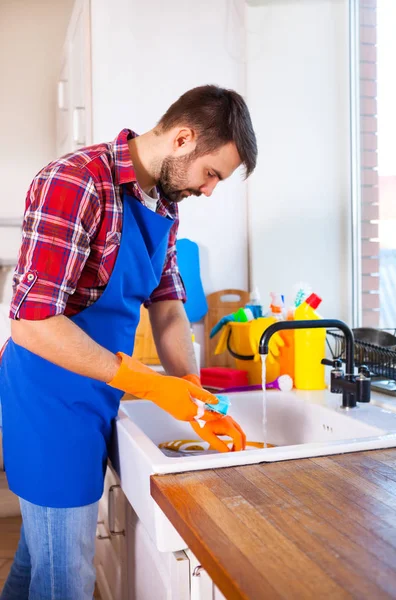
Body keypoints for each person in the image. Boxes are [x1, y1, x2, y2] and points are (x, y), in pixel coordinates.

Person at [0, 84, 257, 600]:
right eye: (212, 174)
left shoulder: (163, 201)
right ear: (183, 138)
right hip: (48, 398)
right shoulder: (73, 182)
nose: (209, 190)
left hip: (98, 391)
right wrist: (143, 380)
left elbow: (167, 307)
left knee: (38, 558)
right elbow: (31, 322)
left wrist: (191, 388)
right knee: (66, 579)